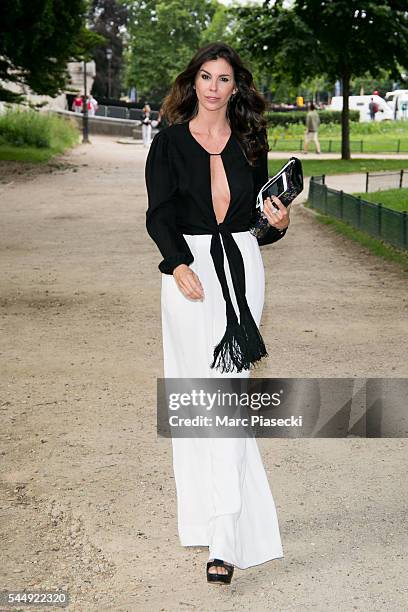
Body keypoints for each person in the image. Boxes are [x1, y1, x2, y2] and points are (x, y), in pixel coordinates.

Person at [144, 42, 290, 585]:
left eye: (223, 78)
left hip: (242, 270)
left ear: (235, 88)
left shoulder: (252, 142)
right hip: (189, 279)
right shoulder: (168, 144)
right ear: (193, 83)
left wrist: (277, 223)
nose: (212, 86)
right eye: (204, 76)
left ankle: (224, 538)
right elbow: (158, 214)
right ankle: (216, 518)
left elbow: (258, 223)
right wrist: (177, 263)